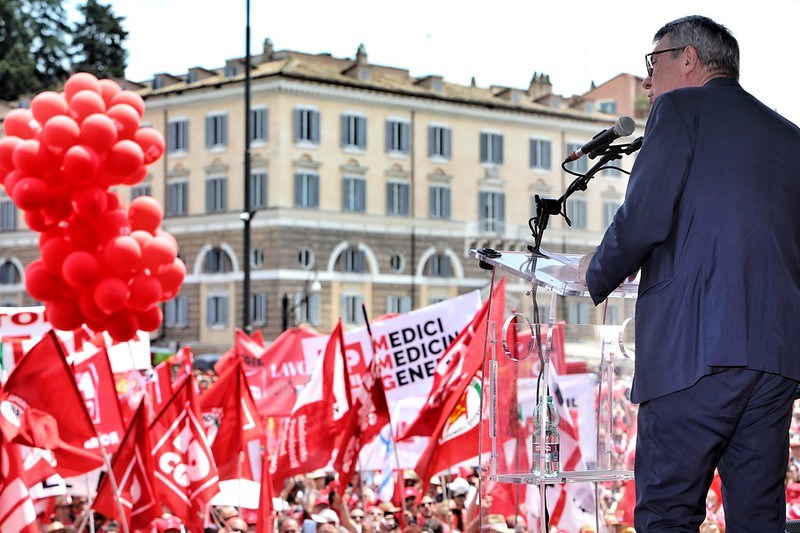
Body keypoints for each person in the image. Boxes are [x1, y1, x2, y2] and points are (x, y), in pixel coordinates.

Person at [578, 14, 800, 531]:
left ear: (688, 59)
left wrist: (596, 269)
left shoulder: (679, 109)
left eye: (652, 63)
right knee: (758, 519)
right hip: (776, 360)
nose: (647, 81)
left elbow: (643, 218)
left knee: (668, 513)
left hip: (694, 353)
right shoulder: (791, 137)